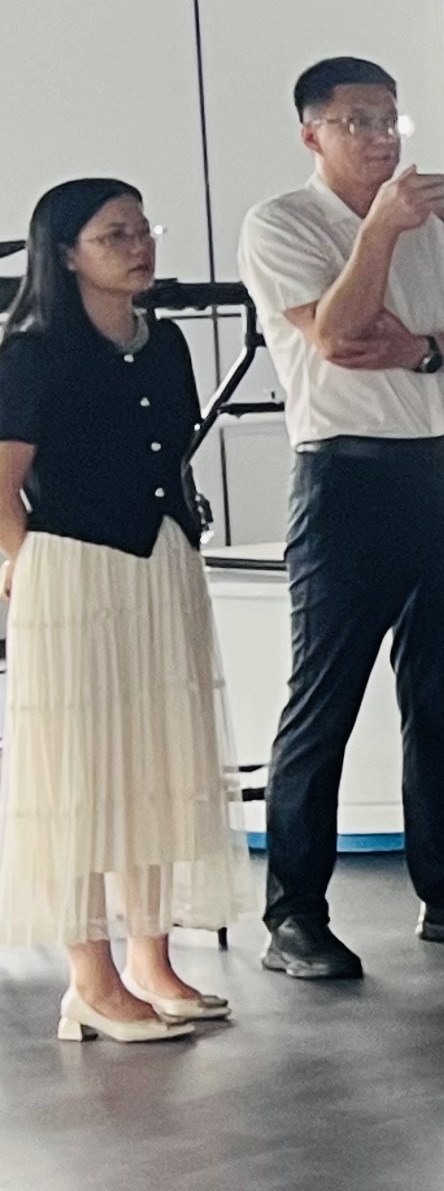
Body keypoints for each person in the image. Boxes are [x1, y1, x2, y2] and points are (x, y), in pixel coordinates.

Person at [238, 58, 444, 977]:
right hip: (347, 480)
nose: (380, 137)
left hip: (438, 473)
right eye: (357, 122)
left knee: (439, 700)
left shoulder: (426, 228)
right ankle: (294, 915)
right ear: (312, 134)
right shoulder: (282, 224)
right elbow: (336, 335)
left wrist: (424, 352)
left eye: (390, 120)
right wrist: (378, 234)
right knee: (323, 703)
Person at [0, 179, 242, 1041]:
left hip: (161, 560)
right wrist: (21, 563)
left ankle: (151, 958)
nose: (139, 247)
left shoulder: (164, 342)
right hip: (75, 569)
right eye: (115, 235)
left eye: (143, 230)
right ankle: (90, 979)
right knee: (80, 775)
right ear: (66, 254)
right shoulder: (32, 353)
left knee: (156, 763)